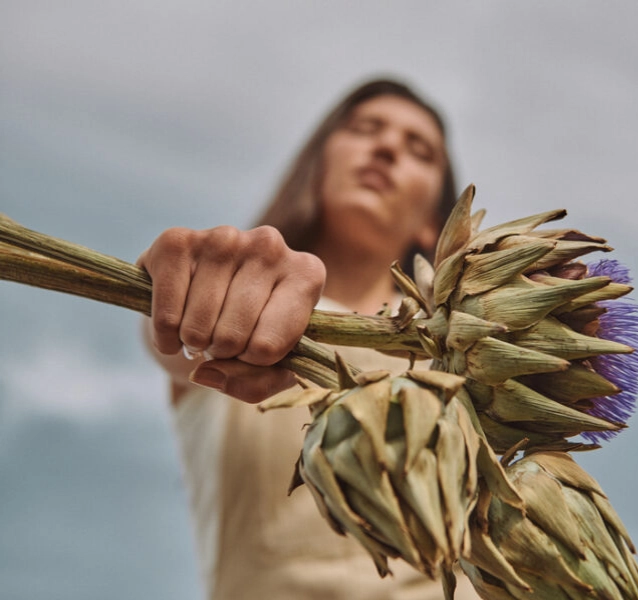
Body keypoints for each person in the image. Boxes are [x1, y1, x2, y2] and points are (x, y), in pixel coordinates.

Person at [138, 79, 479, 599]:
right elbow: (170, 338)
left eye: (419, 151)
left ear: (436, 223)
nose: (386, 147)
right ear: (318, 166)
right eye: (366, 129)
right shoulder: (241, 305)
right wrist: (175, 283)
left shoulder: (466, 349)